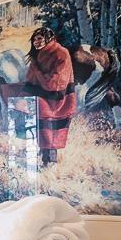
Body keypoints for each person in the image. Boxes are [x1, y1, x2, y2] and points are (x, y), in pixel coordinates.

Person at [25, 27, 75, 165]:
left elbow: (56, 83)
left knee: (51, 130)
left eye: (40, 38)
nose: (36, 42)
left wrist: (37, 72)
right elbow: (29, 79)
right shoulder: (37, 56)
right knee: (40, 127)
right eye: (34, 39)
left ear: (49, 38)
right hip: (41, 98)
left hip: (58, 100)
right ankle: (42, 158)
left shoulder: (61, 53)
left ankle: (50, 162)